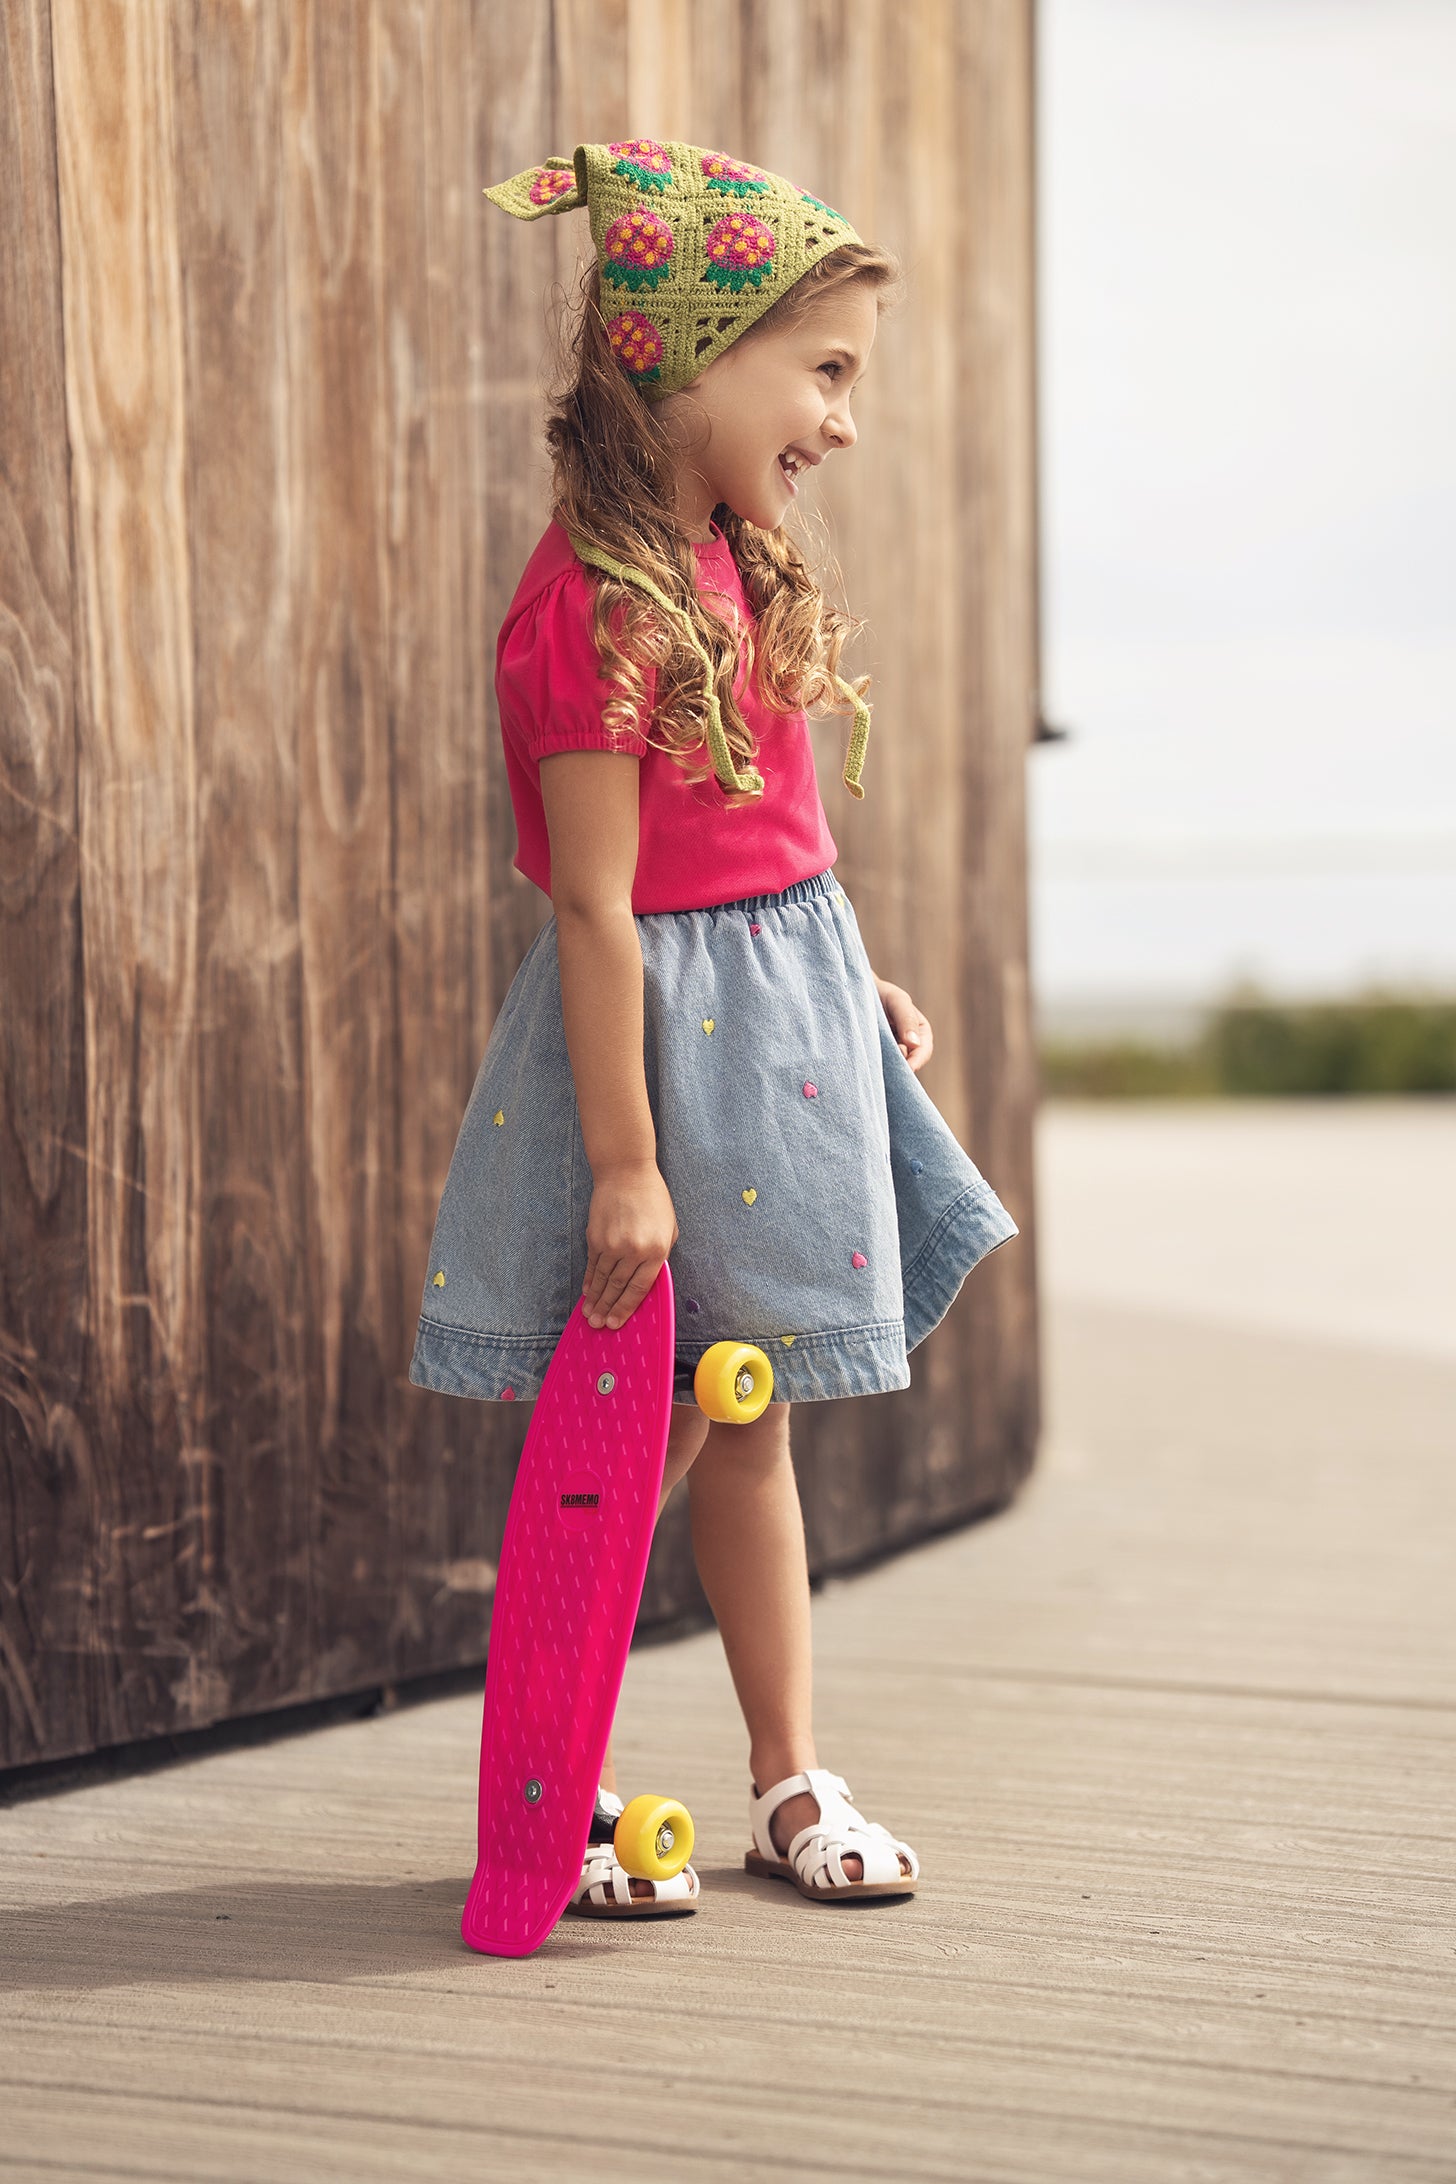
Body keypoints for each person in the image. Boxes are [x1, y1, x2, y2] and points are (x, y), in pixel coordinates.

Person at [409, 138, 1019, 1919]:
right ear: (679, 356)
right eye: (822, 373)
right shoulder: (590, 610)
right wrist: (625, 1165)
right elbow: (601, 907)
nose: (843, 420)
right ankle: (562, 1789)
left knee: (750, 1422)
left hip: (785, 1032)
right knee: (626, 1447)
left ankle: (784, 1774)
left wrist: (852, 974)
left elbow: (762, 845)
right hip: (662, 1077)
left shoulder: (728, 557)